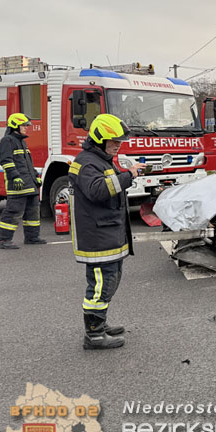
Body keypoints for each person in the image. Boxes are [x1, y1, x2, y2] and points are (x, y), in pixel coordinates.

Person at [69, 114, 145, 350]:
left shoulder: (100, 159)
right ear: (100, 138)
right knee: (100, 286)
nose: (117, 145)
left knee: (109, 282)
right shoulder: (87, 162)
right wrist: (128, 175)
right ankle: (94, 335)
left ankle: (100, 325)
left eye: (119, 141)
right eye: (113, 141)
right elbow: (99, 191)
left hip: (108, 235)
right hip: (98, 238)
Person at [0, 113, 46, 249]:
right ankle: (4, 240)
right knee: (13, 212)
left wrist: (36, 176)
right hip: (18, 185)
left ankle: (32, 237)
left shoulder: (21, 142)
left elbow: (27, 163)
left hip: (30, 185)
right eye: (23, 125)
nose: (26, 128)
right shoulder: (7, 140)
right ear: (15, 126)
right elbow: (6, 161)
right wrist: (15, 177)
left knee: (33, 213)